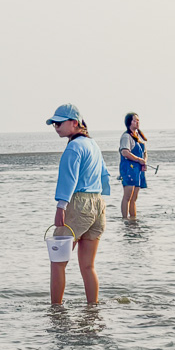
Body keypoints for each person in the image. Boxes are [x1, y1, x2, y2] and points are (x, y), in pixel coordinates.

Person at [47, 103, 111, 304]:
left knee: (57, 262)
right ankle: (93, 309)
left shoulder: (74, 147)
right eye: (53, 123)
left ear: (74, 123)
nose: (56, 126)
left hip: (78, 204)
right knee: (88, 266)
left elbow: (69, 179)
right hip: (98, 204)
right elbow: (104, 175)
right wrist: (99, 202)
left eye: (59, 122)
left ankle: (56, 311)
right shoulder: (93, 144)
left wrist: (61, 206)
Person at [119, 112, 148, 219]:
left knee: (134, 198)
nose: (137, 122)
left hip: (138, 170)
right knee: (127, 196)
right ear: (129, 122)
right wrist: (138, 160)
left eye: (138, 120)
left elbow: (145, 153)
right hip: (128, 170)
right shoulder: (126, 136)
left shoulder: (138, 137)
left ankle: (133, 219)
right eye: (134, 120)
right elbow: (125, 152)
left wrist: (144, 161)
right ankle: (125, 219)